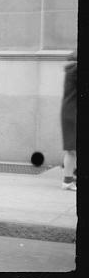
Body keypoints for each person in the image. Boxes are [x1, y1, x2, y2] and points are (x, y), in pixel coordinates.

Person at [61, 50, 77, 191]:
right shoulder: (76, 70)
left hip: (70, 112)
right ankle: (67, 180)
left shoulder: (72, 69)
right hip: (73, 113)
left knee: (72, 149)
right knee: (72, 149)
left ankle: (71, 175)